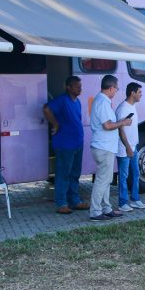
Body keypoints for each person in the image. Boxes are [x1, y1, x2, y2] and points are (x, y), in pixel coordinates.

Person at [89, 75, 133, 221]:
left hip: (105, 146)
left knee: (106, 179)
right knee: (102, 180)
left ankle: (106, 208)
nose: (116, 91)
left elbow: (108, 123)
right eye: (116, 88)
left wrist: (120, 122)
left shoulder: (102, 101)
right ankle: (95, 211)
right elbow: (107, 125)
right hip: (104, 147)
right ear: (111, 88)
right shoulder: (102, 102)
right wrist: (123, 123)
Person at [43, 76, 89, 214]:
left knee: (75, 174)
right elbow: (46, 109)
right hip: (65, 145)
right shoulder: (62, 100)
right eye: (76, 86)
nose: (79, 88)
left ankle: (74, 201)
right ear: (68, 87)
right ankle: (61, 203)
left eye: (80, 86)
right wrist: (55, 124)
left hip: (77, 144)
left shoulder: (78, 102)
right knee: (63, 174)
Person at [115, 82, 145, 212]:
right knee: (123, 176)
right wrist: (128, 147)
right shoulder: (123, 108)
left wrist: (133, 146)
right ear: (132, 93)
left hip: (133, 147)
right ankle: (122, 203)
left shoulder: (132, 106)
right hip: (124, 148)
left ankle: (135, 199)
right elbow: (120, 130)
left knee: (136, 173)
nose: (141, 95)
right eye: (139, 92)